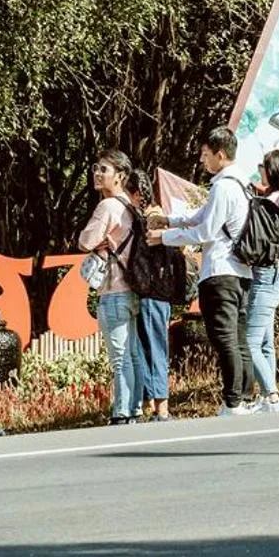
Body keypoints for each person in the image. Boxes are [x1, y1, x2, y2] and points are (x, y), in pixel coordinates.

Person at [149, 125, 252, 417]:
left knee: (224, 337)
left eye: (206, 155)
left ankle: (232, 401)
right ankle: (244, 397)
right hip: (242, 272)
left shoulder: (222, 186)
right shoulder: (242, 184)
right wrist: (168, 220)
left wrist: (164, 237)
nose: (202, 161)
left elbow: (205, 231)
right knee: (239, 336)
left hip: (221, 271)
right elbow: (200, 216)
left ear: (220, 154)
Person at [78, 149, 141, 425]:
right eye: (96, 167)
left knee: (119, 356)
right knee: (134, 353)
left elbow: (85, 241)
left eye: (104, 169)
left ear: (121, 176)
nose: (97, 173)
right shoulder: (132, 207)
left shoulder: (107, 207)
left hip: (114, 290)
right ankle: (135, 408)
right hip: (135, 289)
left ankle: (121, 410)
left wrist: (92, 238)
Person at [243, 148, 279, 412]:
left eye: (263, 166)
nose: (260, 170)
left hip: (265, 275)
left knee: (249, 342)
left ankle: (272, 397)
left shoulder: (274, 199)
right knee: (265, 343)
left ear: (273, 170)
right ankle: (266, 398)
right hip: (276, 273)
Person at [125, 169, 171, 422]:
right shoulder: (144, 215)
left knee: (154, 347)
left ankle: (161, 405)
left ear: (135, 193)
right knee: (143, 347)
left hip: (154, 291)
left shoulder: (154, 217)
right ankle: (148, 402)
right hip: (145, 291)